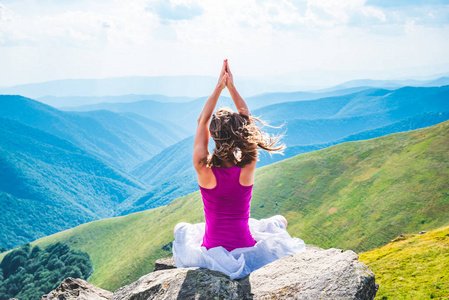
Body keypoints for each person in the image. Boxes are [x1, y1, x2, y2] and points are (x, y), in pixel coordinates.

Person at [172, 59, 306, 280]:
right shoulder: (247, 167)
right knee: (280, 220)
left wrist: (218, 88)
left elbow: (201, 121)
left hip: (212, 248)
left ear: (212, 135)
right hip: (246, 246)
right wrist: (232, 87)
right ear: (241, 134)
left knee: (181, 228)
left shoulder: (203, 168)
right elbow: (246, 118)